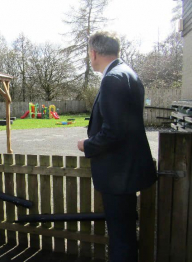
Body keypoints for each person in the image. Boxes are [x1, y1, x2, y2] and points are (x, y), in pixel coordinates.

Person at [77, 31, 157, 262]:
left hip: (117, 174)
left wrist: (87, 145)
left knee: (121, 239)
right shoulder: (129, 74)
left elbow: (114, 131)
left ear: (94, 53)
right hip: (128, 171)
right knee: (125, 235)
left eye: (88, 54)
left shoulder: (112, 79)